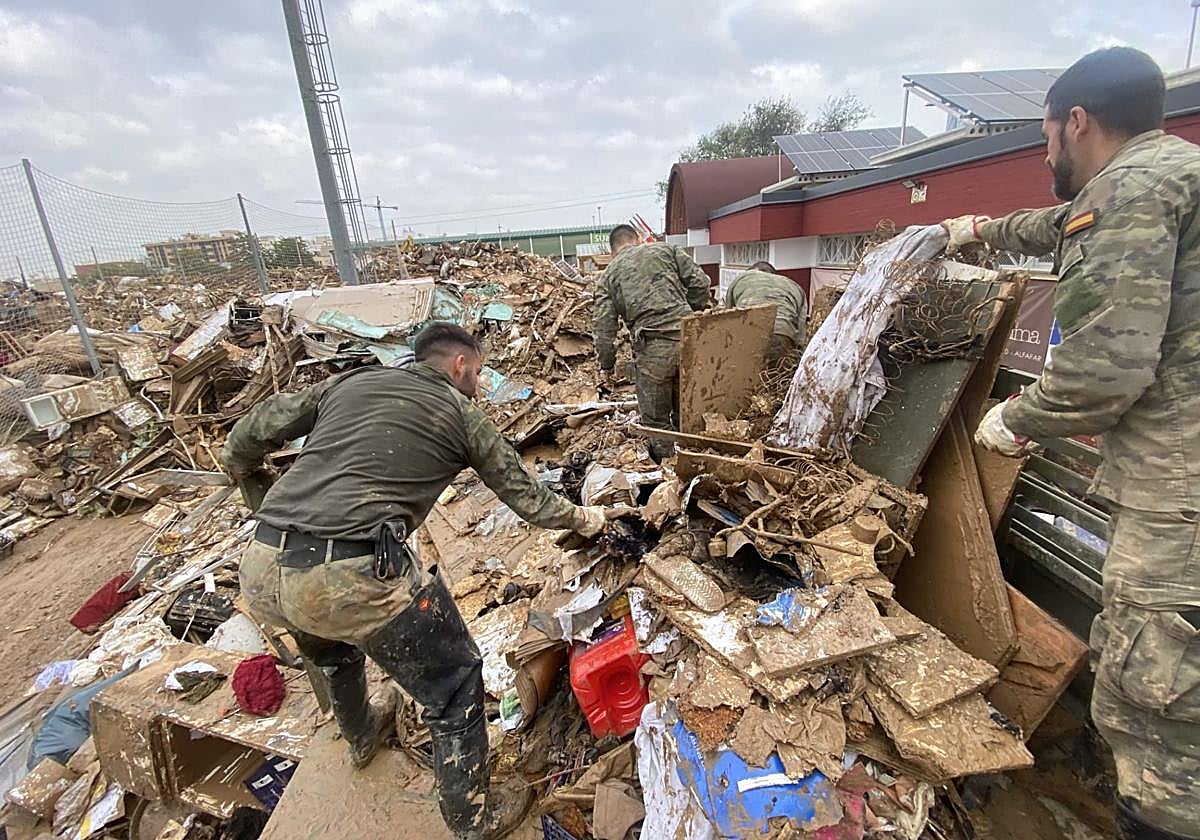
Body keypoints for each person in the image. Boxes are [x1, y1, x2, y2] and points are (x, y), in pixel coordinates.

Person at [223, 323, 613, 840]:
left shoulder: (351, 383)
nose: (478, 380)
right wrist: (587, 521)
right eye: (477, 371)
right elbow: (528, 497)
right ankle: (473, 818)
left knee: (333, 649)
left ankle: (360, 738)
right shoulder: (460, 414)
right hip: (346, 575)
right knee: (454, 685)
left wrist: (244, 471)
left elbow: (254, 428)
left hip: (263, 564)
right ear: (459, 366)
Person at [946, 46, 1200, 840]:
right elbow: (1057, 224)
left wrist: (1014, 420)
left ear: (1076, 121)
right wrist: (978, 234)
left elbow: (1104, 370)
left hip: (1179, 494)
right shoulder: (1173, 175)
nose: (1046, 154)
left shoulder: (1127, 191)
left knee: (1158, 714)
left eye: (1047, 137)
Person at [592, 223, 710, 460]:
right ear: (637, 238)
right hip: (691, 343)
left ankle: (670, 473)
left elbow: (604, 329)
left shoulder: (609, 276)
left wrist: (606, 365)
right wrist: (689, 317)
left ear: (613, 249)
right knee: (688, 412)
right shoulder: (668, 250)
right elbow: (701, 284)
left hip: (653, 351)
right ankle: (699, 463)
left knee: (656, 423)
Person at [724, 260, 809, 362]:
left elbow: (727, 319)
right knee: (776, 373)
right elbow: (801, 332)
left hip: (749, 329)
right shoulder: (795, 286)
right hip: (783, 331)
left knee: (744, 371)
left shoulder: (742, 278)